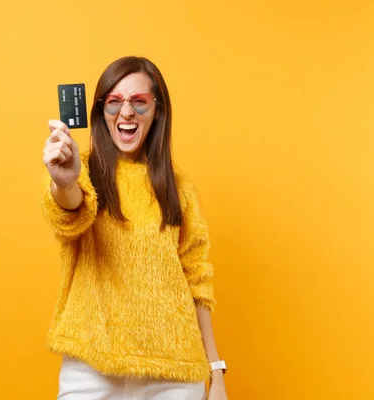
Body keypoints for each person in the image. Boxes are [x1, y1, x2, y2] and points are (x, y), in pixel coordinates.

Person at [41, 56, 228, 400]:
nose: (126, 112)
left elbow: (197, 281)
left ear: (157, 111)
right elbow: (69, 211)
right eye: (115, 102)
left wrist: (216, 370)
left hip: (174, 372)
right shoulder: (78, 169)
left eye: (139, 102)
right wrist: (63, 181)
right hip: (92, 367)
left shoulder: (179, 188)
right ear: (101, 111)